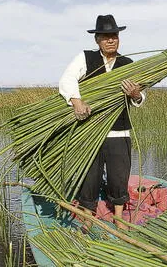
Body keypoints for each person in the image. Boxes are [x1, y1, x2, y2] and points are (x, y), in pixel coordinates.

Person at [59, 14, 145, 229]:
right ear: (97, 39)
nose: (111, 40)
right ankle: (88, 216)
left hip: (119, 131)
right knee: (89, 175)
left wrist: (135, 94)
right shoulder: (86, 58)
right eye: (105, 36)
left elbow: (141, 97)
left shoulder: (128, 64)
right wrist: (77, 102)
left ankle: (118, 217)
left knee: (119, 175)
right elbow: (67, 79)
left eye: (114, 36)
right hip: (90, 130)